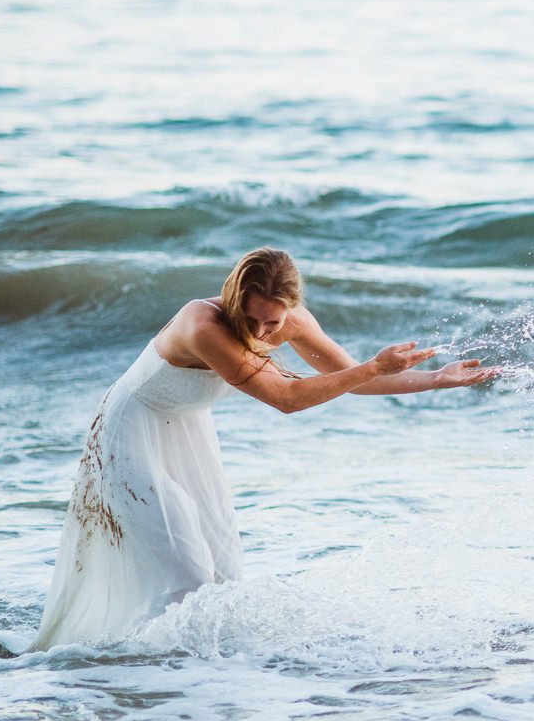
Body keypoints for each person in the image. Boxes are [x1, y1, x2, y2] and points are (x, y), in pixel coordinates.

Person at [26, 247, 497, 651]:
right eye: (249, 318)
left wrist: (436, 379)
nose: (261, 332)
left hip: (187, 428)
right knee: (187, 571)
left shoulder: (289, 322)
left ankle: (197, 672)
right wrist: (372, 368)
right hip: (132, 427)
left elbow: (348, 379)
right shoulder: (202, 323)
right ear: (233, 296)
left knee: (223, 569)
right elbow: (287, 399)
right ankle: (163, 682)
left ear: (291, 308)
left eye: (272, 322)